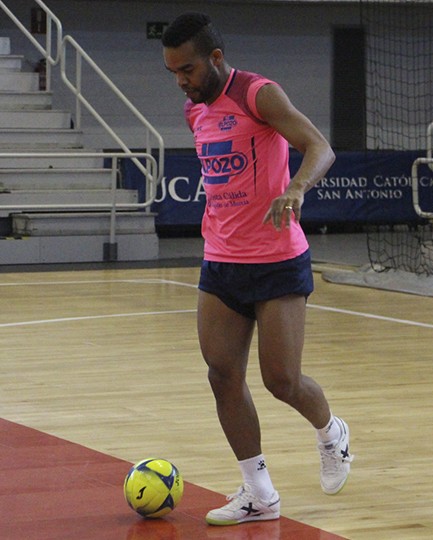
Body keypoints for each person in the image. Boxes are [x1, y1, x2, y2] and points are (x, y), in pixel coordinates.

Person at [161, 13, 353, 526]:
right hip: (221, 260)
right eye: (174, 72)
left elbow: (321, 147)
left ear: (216, 58)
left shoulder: (258, 94)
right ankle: (259, 493)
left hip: (277, 261)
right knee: (222, 375)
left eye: (188, 69)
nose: (181, 80)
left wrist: (295, 188)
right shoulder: (194, 111)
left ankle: (331, 431)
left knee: (281, 381)